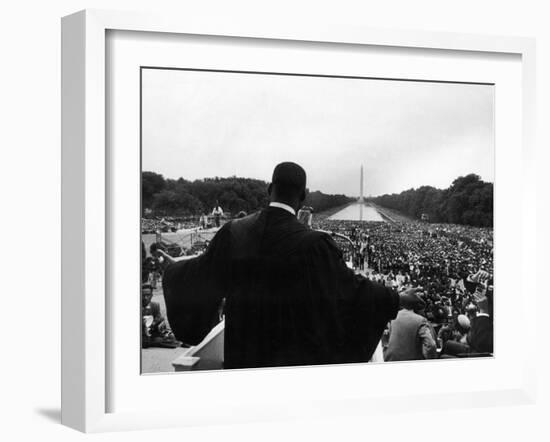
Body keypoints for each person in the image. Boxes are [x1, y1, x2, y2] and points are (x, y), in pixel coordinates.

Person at [163, 162, 406, 369]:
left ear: (270, 189)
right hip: (289, 361)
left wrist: (174, 269)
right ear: (303, 196)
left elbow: (202, 274)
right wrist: (398, 298)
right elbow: (353, 290)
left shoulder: (234, 232)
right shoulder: (315, 244)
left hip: (242, 358)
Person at [384, 290, 437, 361]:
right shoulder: (420, 320)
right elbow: (431, 345)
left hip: (390, 360)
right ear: (417, 308)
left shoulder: (394, 317)